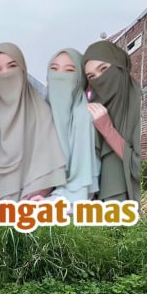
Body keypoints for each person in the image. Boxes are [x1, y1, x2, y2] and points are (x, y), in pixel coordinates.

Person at [0, 43, 66, 201]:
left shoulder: (42, 113)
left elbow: (50, 166)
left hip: (29, 206)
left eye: (12, 66)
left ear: (23, 69)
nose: (5, 74)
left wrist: (39, 192)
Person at [83, 40, 142, 202]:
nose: (99, 79)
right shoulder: (95, 109)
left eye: (103, 69)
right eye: (91, 76)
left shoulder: (142, 102)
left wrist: (108, 130)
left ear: (120, 65)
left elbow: (142, 169)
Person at [44, 48, 99, 203]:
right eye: (54, 69)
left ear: (80, 79)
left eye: (69, 71)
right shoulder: (40, 112)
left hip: (71, 196)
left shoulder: (85, 115)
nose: (60, 75)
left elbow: (83, 186)